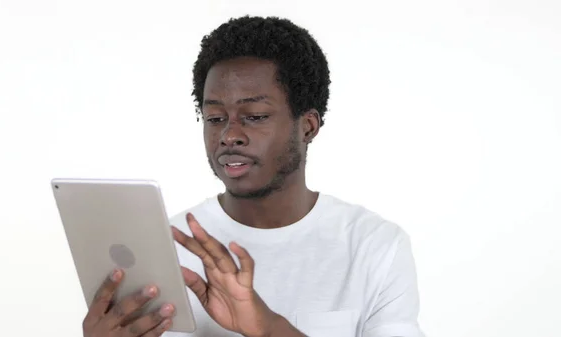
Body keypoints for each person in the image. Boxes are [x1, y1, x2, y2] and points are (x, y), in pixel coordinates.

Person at [82, 15, 424, 337]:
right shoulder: (165, 251)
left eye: (255, 116)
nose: (229, 135)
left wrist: (268, 327)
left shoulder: (374, 246)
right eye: (215, 118)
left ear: (308, 126)